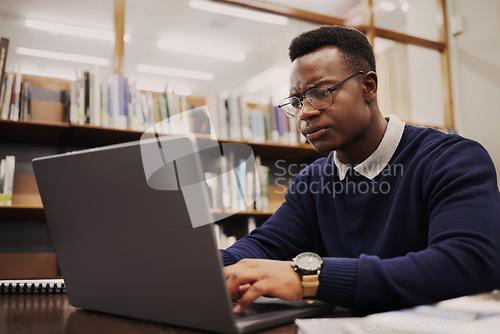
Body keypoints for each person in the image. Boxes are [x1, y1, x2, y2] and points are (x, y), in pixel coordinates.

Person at [221, 25, 500, 316]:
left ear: (368, 87)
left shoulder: (451, 159)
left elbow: (469, 264)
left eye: (320, 92)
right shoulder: (314, 180)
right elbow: (264, 246)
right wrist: (203, 266)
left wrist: (309, 278)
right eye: (297, 101)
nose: (305, 113)